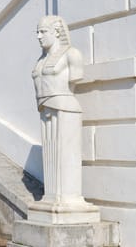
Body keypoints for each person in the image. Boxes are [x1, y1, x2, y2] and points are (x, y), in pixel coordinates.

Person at [32, 15, 85, 204]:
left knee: (64, 160)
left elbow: (76, 77)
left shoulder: (72, 54)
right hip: (45, 109)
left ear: (56, 32)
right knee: (51, 163)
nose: (38, 36)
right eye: (37, 32)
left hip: (65, 109)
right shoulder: (41, 60)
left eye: (43, 32)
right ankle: (52, 198)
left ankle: (68, 199)